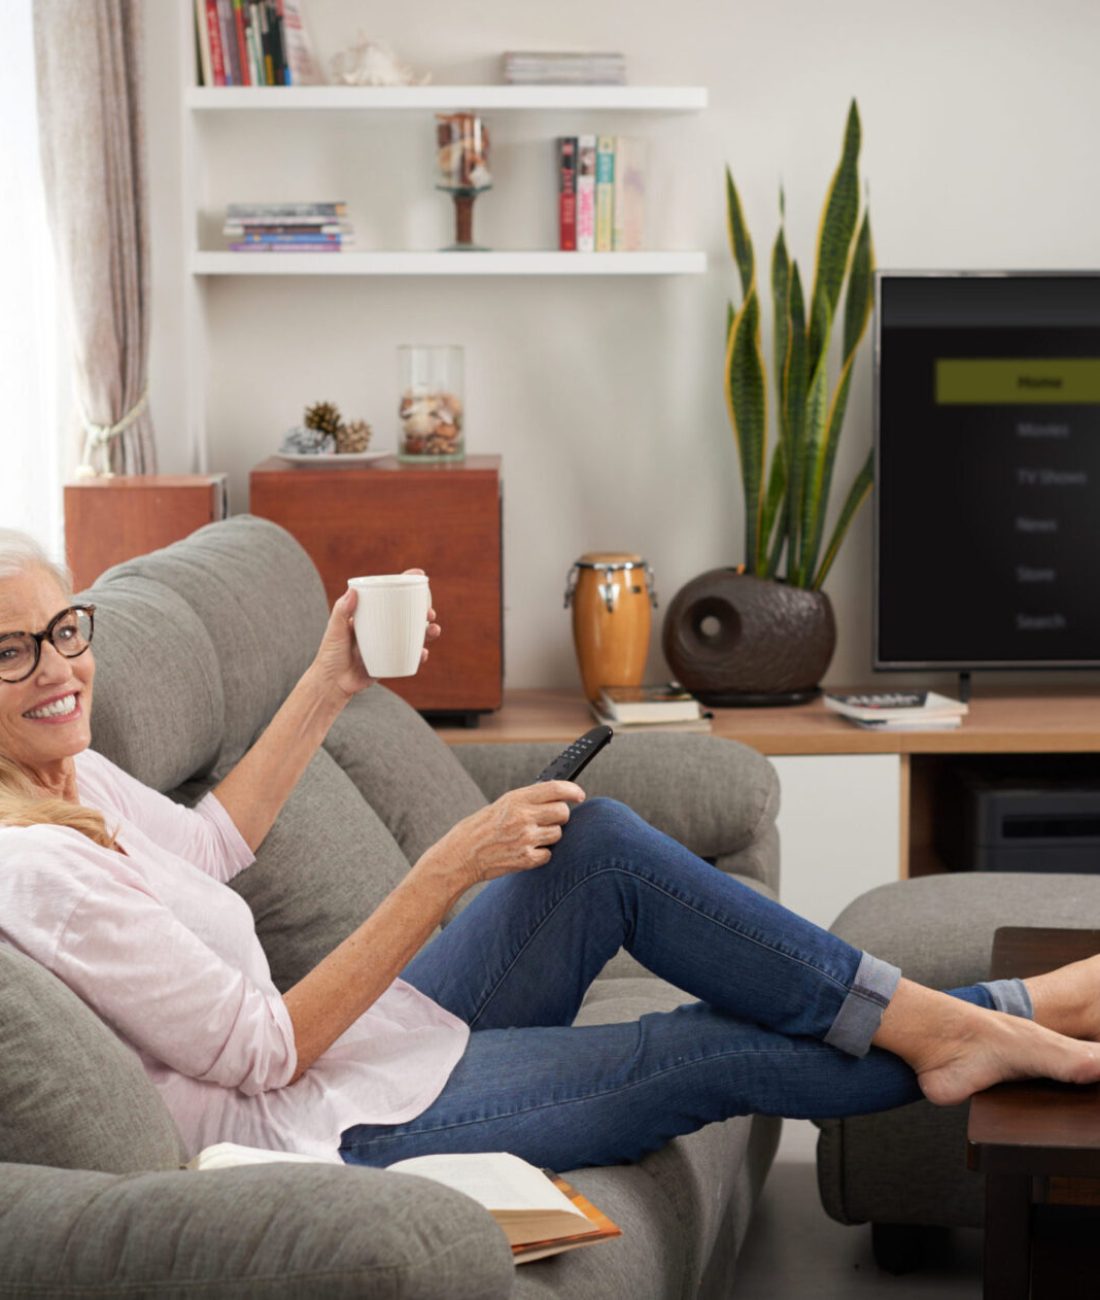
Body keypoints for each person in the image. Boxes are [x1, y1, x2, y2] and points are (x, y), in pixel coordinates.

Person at [2, 526, 1100, 1172]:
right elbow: (261, 1051)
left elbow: (209, 842)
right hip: (315, 1128)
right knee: (689, 1052)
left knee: (597, 845)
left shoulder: (69, 769)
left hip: (348, 1058)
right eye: (13, 652)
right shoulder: (35, 872)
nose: (59, 669)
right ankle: (989, 1019)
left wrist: (330, 677)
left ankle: (971, 1018)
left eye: (64, 631)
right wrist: (447, 867)